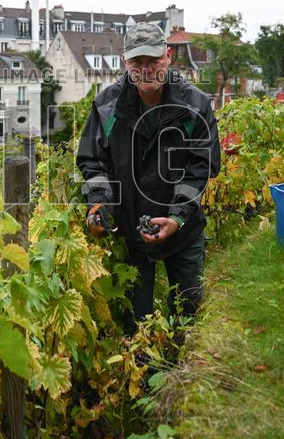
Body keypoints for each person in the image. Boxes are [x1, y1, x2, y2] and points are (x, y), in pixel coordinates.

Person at [76, 22, 220, 332]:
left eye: (153, 61)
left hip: (183, 229)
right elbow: (95, 162)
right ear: (125, 61)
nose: (145, 70)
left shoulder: (194, 106)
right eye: (137, 62)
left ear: (168, 56)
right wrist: (99, 205)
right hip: (131, 230)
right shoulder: (106, 107)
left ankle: (185, 373)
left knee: (189, 312)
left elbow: (199, 168)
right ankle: (144, 375)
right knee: (136, 325)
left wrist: (177, 217)